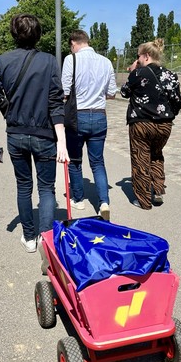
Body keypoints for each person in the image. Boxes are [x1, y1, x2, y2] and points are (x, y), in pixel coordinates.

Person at [0, 13, 69, 253]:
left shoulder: (2, 61)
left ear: (14, 33)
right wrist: (61, 141)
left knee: (24, 186)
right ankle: (46, 241)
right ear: (38, 34)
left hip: (16, 134)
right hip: (45, 135)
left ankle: (29, 237)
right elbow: (56, 102)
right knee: (46, 188)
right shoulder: (50, 61)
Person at [120, 38, 181, 210]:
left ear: (146, 56)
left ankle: (143, 200)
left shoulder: (138, 73)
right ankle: (157, 190)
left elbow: (124, 92)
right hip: (164, 125)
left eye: (138, 56)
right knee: (156, 155)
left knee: (140, 158)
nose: (137, 60)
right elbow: (177, 101)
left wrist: (132, 71)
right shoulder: (170, 74)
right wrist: (168, 117)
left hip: (141, 123)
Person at [61, 30, 116, 220]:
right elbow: (112, 93)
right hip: (100, 115)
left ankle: (78, 199)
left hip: (78, 116)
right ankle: (103, 202)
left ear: (74, 43)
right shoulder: (106, 61)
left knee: (75, 161)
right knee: (98, 161)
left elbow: (65, 91)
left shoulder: (71, 59)